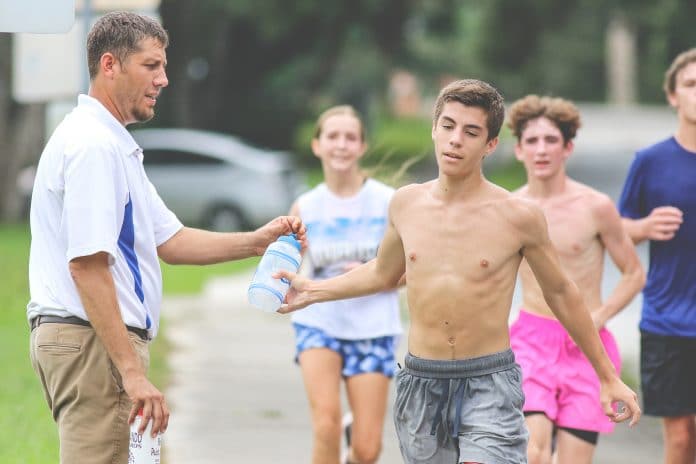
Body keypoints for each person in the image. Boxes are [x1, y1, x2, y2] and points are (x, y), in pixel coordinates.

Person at [277, 79, 641, 464]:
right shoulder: (406, 204)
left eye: (471, 132)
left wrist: (606, 375)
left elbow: (562, 293)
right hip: (422, 379)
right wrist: (313, 289)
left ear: (490, 145)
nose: (455, 140)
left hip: (489, 381)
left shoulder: (518, 216)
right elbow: (382, 274)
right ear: (434, 129)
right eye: (448, 126)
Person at [26, 12, 305, 464]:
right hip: (93, 343)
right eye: (151, 66)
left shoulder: (113, 144)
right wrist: (131, 373)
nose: (165, 79)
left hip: (93, 342)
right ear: (111, 65)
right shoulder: (94, 146)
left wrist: (256, 241)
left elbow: (170, 240)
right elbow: (87, 265)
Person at [506, 95, 645, 464]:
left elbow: (634, 273)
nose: (541, 150)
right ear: (518, 150)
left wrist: (598, 317)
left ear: (567, 148)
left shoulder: (595, 206)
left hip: (587, 344)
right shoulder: (509, 211)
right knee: (532, 453)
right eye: (532, 141)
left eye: (551, 140)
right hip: (531, 342)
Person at [288, 105, 402, 464]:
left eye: (350, 137)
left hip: (373, 325)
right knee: (326, 425)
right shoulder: (305, 206)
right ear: (317, 145)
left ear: (362, 146)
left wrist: (376, 278)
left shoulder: (388, 202)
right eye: (332, 137)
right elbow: (285, 265)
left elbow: (412, 269)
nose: (341, 145)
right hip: (319, 323)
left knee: (367, 451)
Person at [618, 48, 696, 464]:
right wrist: (643, 227)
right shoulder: (650, 161)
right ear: (673, 96)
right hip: (668, 320)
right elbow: (616, 230)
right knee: (681, 438)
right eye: (691, 84)